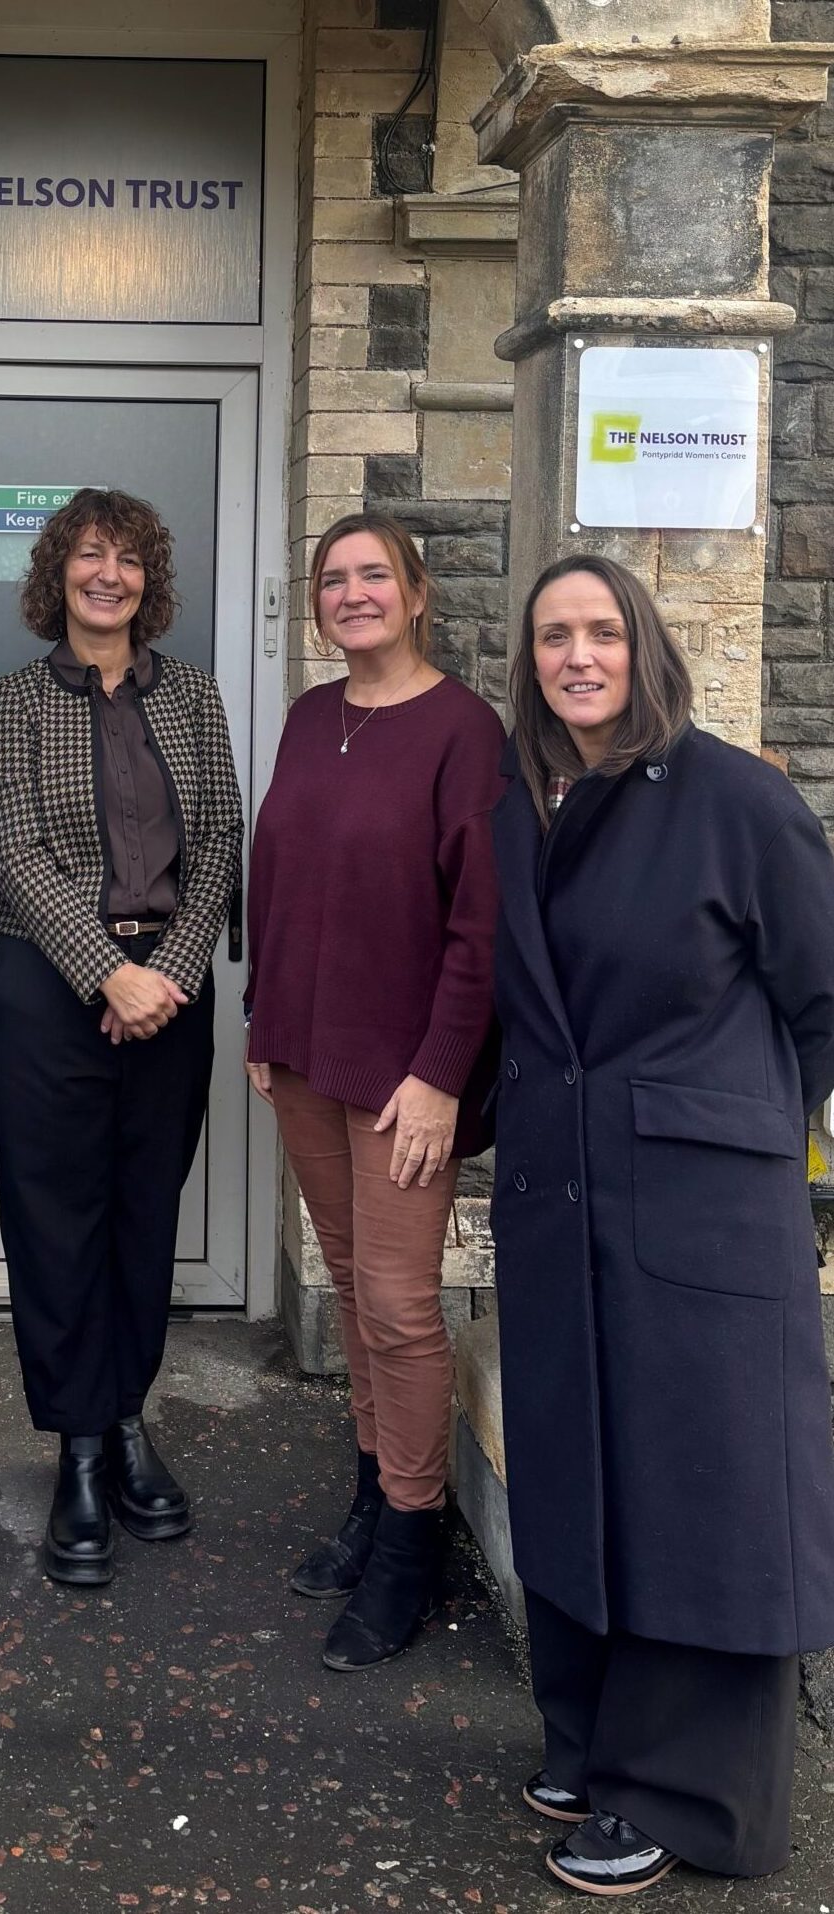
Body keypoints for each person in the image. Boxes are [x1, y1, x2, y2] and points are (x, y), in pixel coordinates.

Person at [491, 553, 834, 1895]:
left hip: (701, 1212)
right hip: (560, 1200)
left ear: (641, 644)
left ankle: (689, 1798)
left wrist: (738, 1126)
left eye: (599, 631)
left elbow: (821, 999)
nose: (577, 656)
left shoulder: (734, 797)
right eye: (552, 638)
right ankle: (592, 1736)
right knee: (582, 1470)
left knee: (703, 1491)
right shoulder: (527, 806)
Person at [245, 512, 504, 1671]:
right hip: (302, 1053)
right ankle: (373, 1490)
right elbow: (280, 876)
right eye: (331, 580)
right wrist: (261, 1020)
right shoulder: (310, 718)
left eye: (370, 577)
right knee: (350, 1283)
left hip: (405, 1078)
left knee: (400, 1305)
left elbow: (479, 926)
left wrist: (441, 1076)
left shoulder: (462, 731)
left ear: (414, 594)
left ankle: (413, 1536)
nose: (350, 595)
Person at [0, 487, 241, 1587]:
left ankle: (129, 1420)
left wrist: (165, 974)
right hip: (52, 992)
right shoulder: (13, 699)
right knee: (56, 1221)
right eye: (88, 555)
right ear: (58, 573)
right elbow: (16, 849)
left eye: (127, 557)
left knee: (143, 1215)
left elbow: (221, 835)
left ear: (149, 578)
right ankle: (77, 1447)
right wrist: (106, 972)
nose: (108, 574)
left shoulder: (190, 694)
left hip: (169, 999)